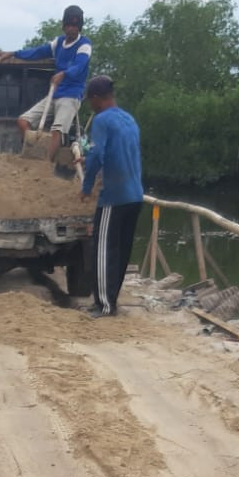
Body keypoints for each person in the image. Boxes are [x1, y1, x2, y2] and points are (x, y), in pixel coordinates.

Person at [80, 75, 144, 318]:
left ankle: (104, 305)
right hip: (135, 195)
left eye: (90, 101)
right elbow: (116, 152)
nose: (90, 105)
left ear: (97, 99)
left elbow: (97, 155)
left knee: (103, 250)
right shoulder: (128, 119)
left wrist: (87, 187)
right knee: (121, 251)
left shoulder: (102, 120)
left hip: (114, 197)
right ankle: (111, 299)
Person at [6, 6, 92, 163]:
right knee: (23, 121)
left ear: (79, 27)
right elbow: (38, 52)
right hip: (55, 93)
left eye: (75, 26)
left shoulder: (84, 45)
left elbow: (79, 65)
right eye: (69, 25)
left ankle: (45, 164)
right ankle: (33, 154)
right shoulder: (58, 43)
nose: (71, 29)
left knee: (57, 130)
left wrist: (64, 74)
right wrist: (15, 53)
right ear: (64, 26)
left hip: (71, 95)